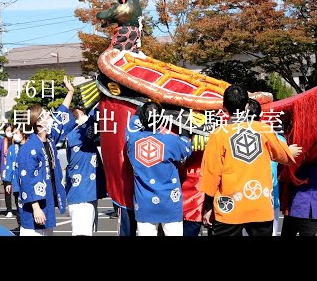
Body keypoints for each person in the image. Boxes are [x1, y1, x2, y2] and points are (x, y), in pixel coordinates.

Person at [201, 84, 296, 236]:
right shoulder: (263, 129)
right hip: (259, 203)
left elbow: (211, 174)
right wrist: (289, 151)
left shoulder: (218, 135)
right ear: (246, 105)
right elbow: (283, 156)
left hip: (230, 206)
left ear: (224, 107)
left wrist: (207, 207)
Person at [17, 75, 76, 236]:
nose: (50, 117)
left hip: (46, 201)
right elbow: (26, 178)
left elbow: (61, 116)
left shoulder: (48, 140)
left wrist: (70, 92)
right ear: (38, 123)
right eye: (45, 115)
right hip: (33, 207)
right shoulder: (28, 148)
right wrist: (35, 208)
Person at [125, 101, 193, 236]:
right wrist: (183, 123)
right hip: (170, 202)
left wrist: (141, 106)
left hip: (144, 204)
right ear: (161, 119)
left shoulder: (132, 140)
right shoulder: (171, 141)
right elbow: (187, 147)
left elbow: (132, 125)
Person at [243, 98, 302, 236]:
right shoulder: (276, 138)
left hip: (245, 198)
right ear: (260, 116)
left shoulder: (230, 136)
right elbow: (287, 162)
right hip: (266, 198)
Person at [65, 105, 107, 236]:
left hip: (84, 193)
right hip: (82, 196)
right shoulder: (77, 136)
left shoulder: (79, 138)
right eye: (81, 114)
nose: (85, 116)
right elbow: (96, 116)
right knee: (82, 233)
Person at [2, 126, 27, 229]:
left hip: (28, 181)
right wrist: (8, 182)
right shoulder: (12, 148)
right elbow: (8, 165)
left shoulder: (29, 146)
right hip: (16, 182)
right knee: (19, 205)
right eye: (14, 133)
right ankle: (21, 225)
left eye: (17, 133)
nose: (15, 135)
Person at [0, 123, 15, 218]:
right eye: (7, 130)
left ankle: (19, 208)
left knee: (16, 189)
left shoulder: (16, 140)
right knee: (7, 189)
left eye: (11, 130)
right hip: (5, 168)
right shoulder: (1, 142)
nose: (9, 133)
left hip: (16, 168)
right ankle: (9, 209)